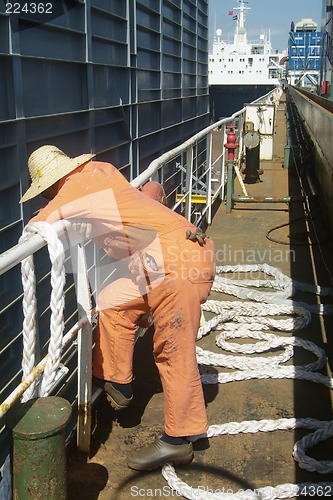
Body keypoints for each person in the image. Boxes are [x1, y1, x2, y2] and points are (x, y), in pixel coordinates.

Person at [20, 145, 215, 471]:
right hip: (165, 258)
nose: (47, 197)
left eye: (45, 192)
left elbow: (42, 223)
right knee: (116, 303)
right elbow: (148, 193)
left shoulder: (75, 188)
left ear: (53, 183)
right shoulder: (99, 172)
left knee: (173, 351)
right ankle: (117, 380)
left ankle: (179, 441)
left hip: (179, 266)